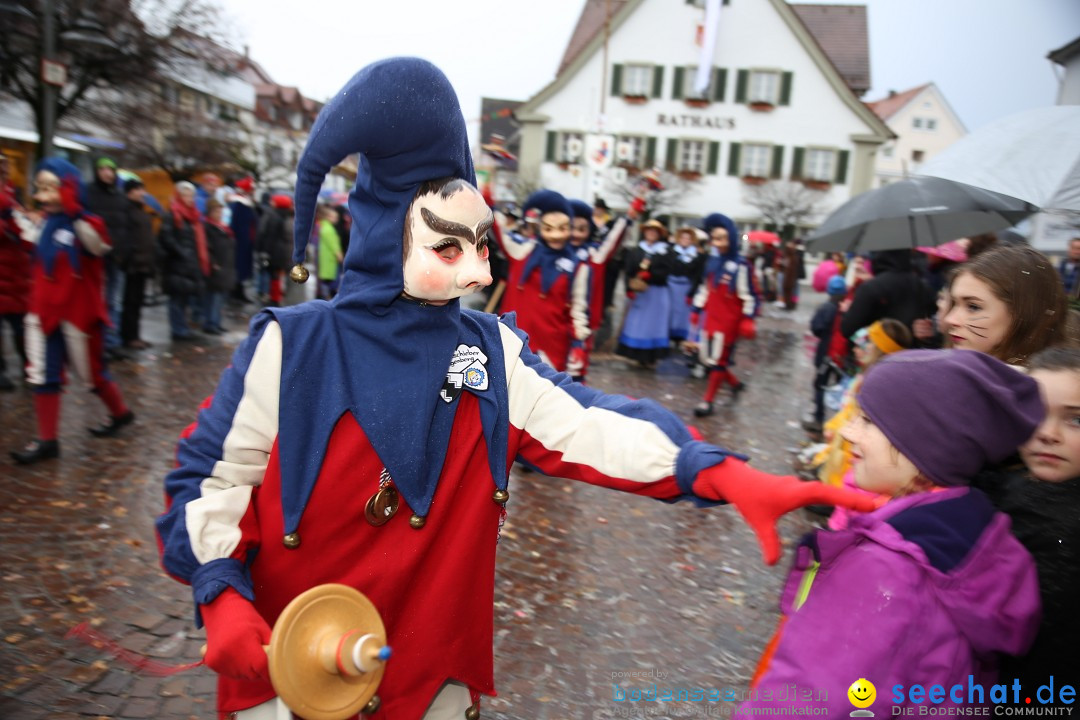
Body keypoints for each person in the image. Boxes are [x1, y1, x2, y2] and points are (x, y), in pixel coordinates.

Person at [155, 58, 875, 720]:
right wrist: (218, 585)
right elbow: (210, 477)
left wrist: (712, 470)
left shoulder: (491, 354)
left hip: (424, 682)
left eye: (479, 245)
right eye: (449, 247)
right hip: (286, 678)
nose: (476, 272)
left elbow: (590, 422)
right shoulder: (293, 344)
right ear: (386, 233)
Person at [744, 349, 1042, 716]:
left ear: (924, 443)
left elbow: (806, 701)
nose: (848, 432)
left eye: (868, 421)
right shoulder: (972, 540)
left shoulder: (883, 568)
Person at [973, 347, 1080, 703]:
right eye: (1034, 412)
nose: (1048, 433)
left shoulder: (1060, 523)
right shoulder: (1021, 481)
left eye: (1076, 420)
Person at [10, 158, 134, 464]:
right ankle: (47, 441)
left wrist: (73, 211)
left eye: (51, 187)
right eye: (40, 188)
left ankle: (121, 413)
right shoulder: (42, 222)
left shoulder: (87, 222)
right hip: (43, 311)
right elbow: (24, 242)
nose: (44, 195)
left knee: (92, 377)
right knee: (43, 375)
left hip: (78, 315)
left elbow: (99, 246)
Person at [491, 190, 590, 373]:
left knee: (545, 398)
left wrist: (578, 344)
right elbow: (497, 227)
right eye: (549, 228)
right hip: (513, 341)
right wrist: (488, 197)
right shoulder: (522, 251)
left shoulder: (578, 267)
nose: (556, 236)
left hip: (552, 349)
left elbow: (578, 310)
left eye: (562, 228)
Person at [943, 244, 1067, 366]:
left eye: (973, 307)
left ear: (1023, 314)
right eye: (954, 303)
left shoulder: (1046, 384)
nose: (950, 319)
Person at [692, 213, 759, 416]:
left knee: (719, 359)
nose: (717, 243)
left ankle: (708, 401)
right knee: (708, 358)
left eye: (722, 238)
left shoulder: (740, 266)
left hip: (729, 321)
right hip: (711, 318)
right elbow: (705, 288)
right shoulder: (713, 263)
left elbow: (750, 295)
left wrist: (748, 318)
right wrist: (697, 308)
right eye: (715, 238)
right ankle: (734, 383)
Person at [840, 249, 937, 344]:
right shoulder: (923, 286)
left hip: (877, 355)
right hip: (910, 354)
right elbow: (931, 324)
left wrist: (866, 343)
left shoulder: (871, 287)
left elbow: (847, 330)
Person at [85, 157, 130, 355]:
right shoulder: (88, 193)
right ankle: (96, 343)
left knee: (114, 302)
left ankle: (111, 342)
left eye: (110, 169)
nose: (107, 173)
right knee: (96, 301)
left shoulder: (120, 197)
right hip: (95, 257)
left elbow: (126, 227)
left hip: (116, 257)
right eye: (102, 169)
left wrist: (124, 250)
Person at [616, 219, 673, 369]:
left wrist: (651, 275)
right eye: (649, 230)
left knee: (654, 326)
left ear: (659, 234)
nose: (651, 233)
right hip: (639, 294)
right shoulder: (636, 251)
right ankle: (635, 354)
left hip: (656, 293)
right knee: (637, 324)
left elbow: (667, 271)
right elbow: (628, 270)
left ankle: (651, 357)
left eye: (654, 231)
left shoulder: (665, 251)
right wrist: (629, 289)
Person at [158, 181, 208, 341]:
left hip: (189, 263)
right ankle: (178, 329)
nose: (189, 198)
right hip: (177, 264)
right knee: (177, 299)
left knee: (184, 298)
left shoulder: (193, 215)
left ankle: (182, 327)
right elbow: (166, 238)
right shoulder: (173, 214)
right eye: (186, 195)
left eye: (191, 195)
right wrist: (181, 252)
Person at [0, 153, 31, 390]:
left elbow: (25, 233)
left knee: (21, 325)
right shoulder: (8, 202)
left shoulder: (12, 198)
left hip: (17, 273)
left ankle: (29, 367)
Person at [803, 275, 848, 434]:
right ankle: (840, 421)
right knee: (842, 389)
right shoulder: (847, 309)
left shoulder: (825, 308)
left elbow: (816, 328)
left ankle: (819, 419)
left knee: (820, 385)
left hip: (825, 355)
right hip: (842, 357)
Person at [118, 178, 157, 350]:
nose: (143, 193)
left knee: (137, 302)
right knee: (130, 302)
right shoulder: (126, 211)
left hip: (144, 263)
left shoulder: (141, 211)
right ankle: (129, 336)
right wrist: (130, 258)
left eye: (142, 189)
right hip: (133, 265)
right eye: (138, 190)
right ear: (130, 192)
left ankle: (135, 335)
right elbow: (126, 238)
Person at [668, 226, 705, 346]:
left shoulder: (696, 255)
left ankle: (682, 337)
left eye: (688, 238)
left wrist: (692, 291)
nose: (685, 240)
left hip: (686, 287)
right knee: (671, 312)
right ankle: (669, 334)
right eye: (683, 237)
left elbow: (698, 274)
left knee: (684, 314)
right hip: (671, 286)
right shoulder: (671, 252)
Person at [202, 198, 235, 335]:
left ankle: (216, 321)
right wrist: (213, 262)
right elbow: (206, 247)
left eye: (221, 210)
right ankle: (210, 323)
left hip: (225, 265)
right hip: (217, 266)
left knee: (220, 297)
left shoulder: (222, 227)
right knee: (213, 297)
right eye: (216, 211)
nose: (219, 213)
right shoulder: (207, 227)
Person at [228, 176, 258, 304]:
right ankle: (235, 292)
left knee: (243, 267)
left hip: (246, 240)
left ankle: (239, 290)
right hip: (239, 241)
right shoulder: (238, 204)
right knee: (238, 267)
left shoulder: (245, 203)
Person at [316, 204, 343, 300]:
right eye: (334, 217)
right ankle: (327, 297)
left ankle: (325, 296)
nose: (336, 219)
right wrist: (339, 255)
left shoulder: (323, 227)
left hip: (326, 258)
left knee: (326, 280)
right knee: (332, 281)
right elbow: (334, 245)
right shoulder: (329, 229)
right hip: (330, 260)